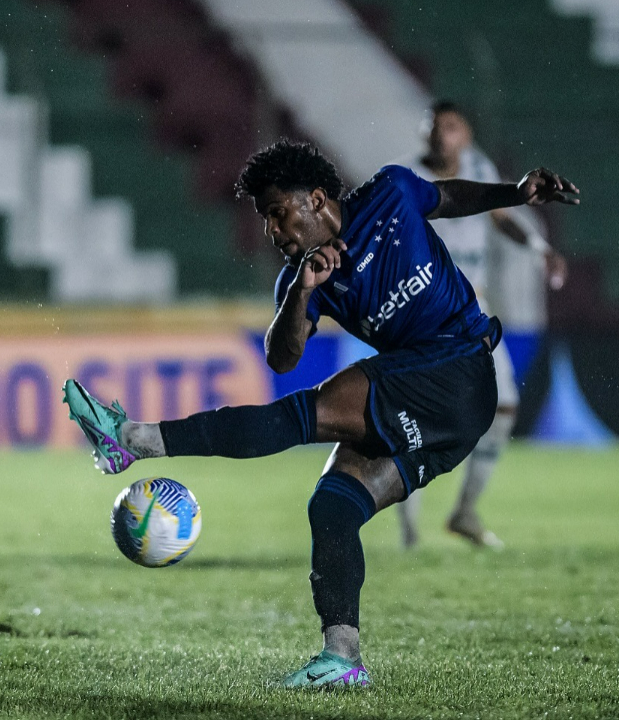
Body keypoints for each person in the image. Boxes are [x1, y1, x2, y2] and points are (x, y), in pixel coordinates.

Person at [63, 140, 578, 689]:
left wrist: (516, 193)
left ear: (315, 200)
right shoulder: (303, 279)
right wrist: (304, 294)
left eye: (278, 213)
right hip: (443, 415)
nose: (272, 230)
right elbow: (281, 356)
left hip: (456, 369)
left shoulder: (392, 192)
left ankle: (135, 440)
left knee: (301, 416)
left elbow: (446, 196)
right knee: (333, 506)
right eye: (265, 219)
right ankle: (342, 658)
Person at [394, 100, 568, 549]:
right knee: (413, 418)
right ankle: (410, 529)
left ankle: (465, 511)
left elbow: (501, 217)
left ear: (465, 136)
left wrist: (538, 246)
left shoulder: (476, 167)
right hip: (425, 316)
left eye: (450, 126)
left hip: (473, 315)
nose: (439, 133)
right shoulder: (406, 179)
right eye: (433, 125)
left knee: (504, 410)